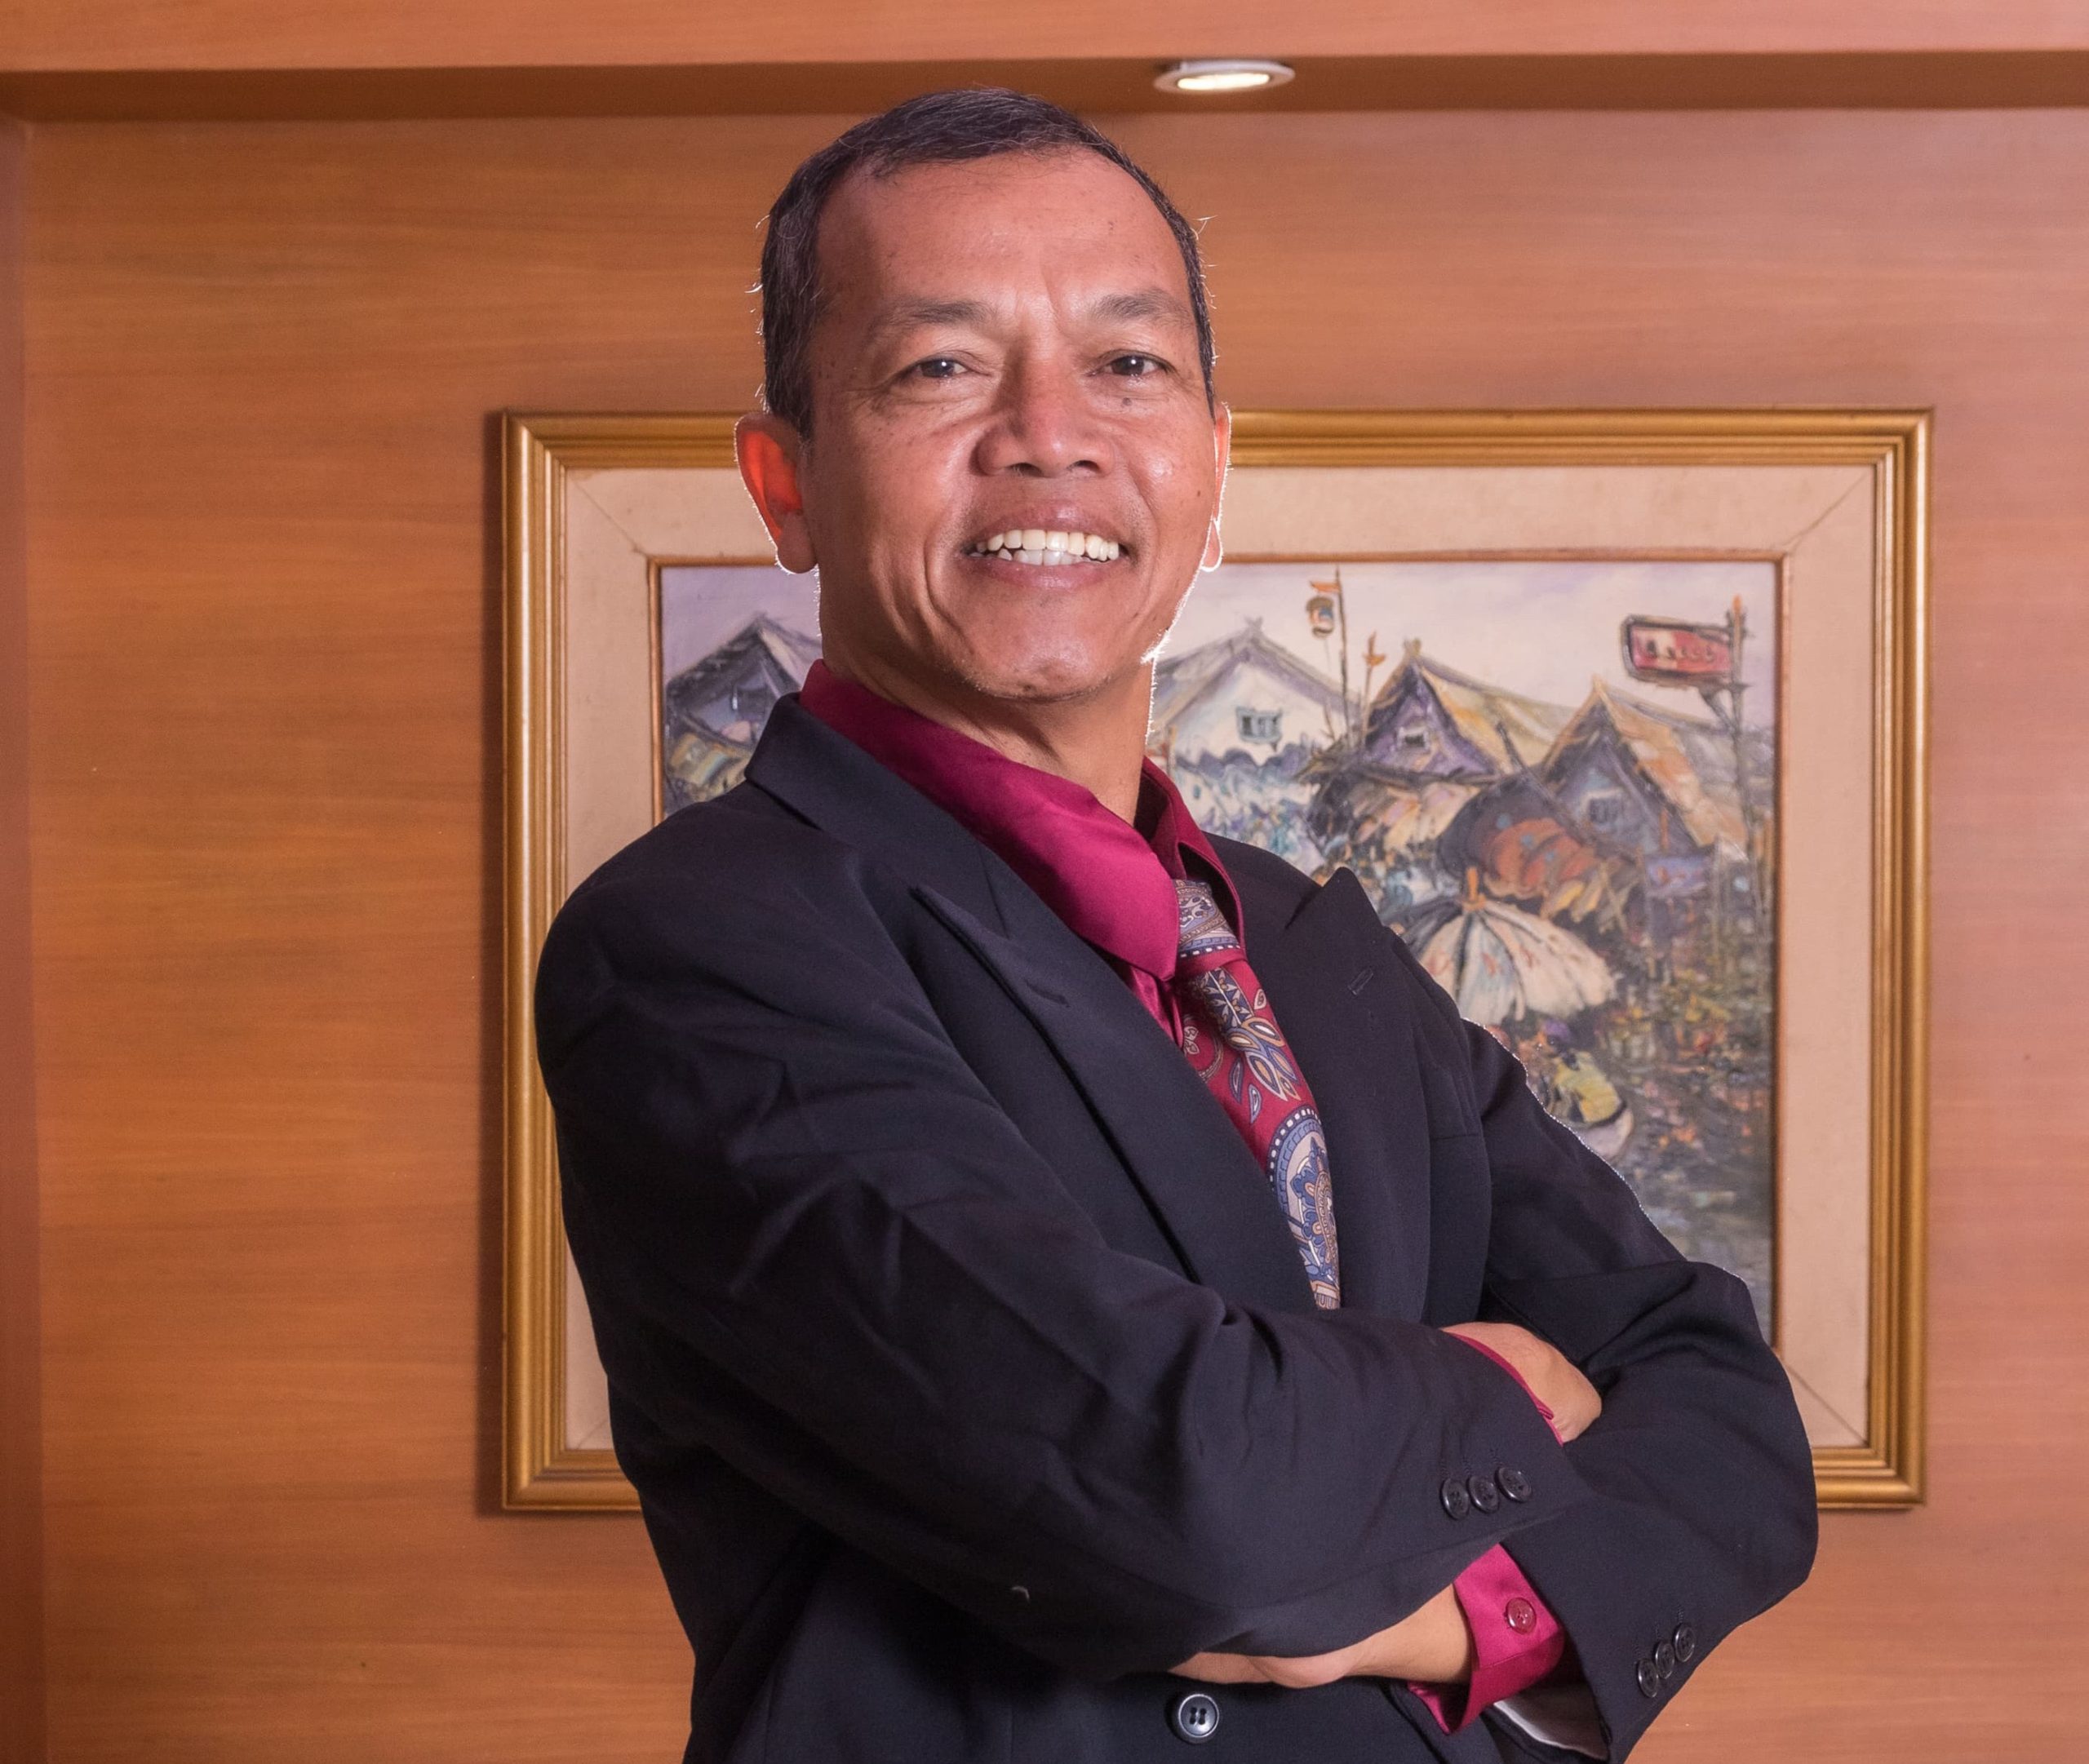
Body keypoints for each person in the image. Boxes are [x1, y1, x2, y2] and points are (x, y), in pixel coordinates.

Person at [533, 88, 1816, 1764]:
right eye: (940, 366)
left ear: (1212, 470)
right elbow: (1181, 1489)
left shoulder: (1301, 943)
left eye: (1126, 363)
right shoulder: (696, 950)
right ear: (785, 484)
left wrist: (1466, 1620)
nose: (1046, 433)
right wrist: (1513, 1378)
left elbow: (1722, 1404)